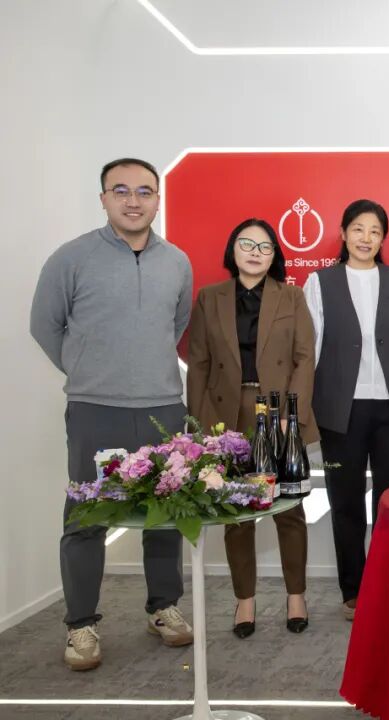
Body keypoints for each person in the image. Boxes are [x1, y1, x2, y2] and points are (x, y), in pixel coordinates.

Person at [30, 158, 195, 671]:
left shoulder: (177, 262)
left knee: (166, 515)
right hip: (95, 409)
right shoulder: (71, 258)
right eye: (120, 190)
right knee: (86, 518)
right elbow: (45, 326)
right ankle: (81, 625)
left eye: (144, 191)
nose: (133, 200)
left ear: (158, 200)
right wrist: (90, 372)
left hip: (163, 407)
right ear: (103, 198)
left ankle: (163, 607)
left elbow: (176, 324)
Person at [186, 218, 317, 638]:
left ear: (275, 255)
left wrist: (291, 414)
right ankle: (245, 600)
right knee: (237, 514)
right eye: (247, 244)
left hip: (277, 411)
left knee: (289, 510)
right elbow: (199, 363)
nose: (255, 252)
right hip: (228, 415)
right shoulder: (210, 297)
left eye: (264, 246)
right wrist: (202, 427)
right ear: (233, 250)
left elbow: (304, 358)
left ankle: (296, 596)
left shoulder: (291, 296)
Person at [303, 199, 389, 621]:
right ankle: (353, 590)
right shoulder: (319, 282)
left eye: (375, 231)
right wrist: (308, 404)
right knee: (345, 502)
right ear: (343, 233)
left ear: (382, 238)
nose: (366, 238)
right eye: (358, 229)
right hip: (340, 410)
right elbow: (311, 347)